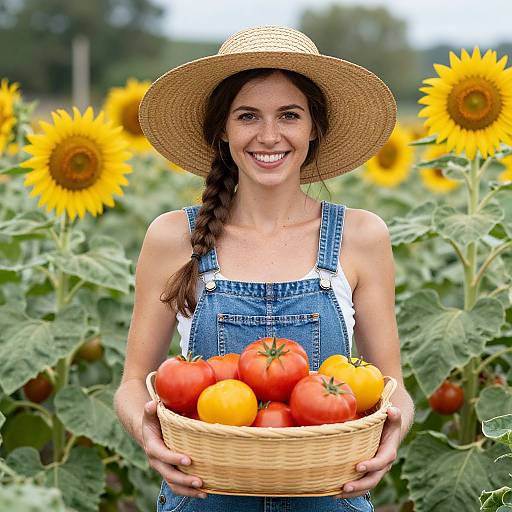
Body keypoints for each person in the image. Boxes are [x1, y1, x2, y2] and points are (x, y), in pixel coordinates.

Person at [114, 25, 415, 512]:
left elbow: (391, 387)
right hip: (205, 496)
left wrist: (394, 430)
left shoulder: (362, 237)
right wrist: (146, 432)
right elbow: (133, 382)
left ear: (314, 127)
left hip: (329, 499)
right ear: (223, 131)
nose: (269, 136)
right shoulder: (172, 238)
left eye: (289, 116)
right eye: (247, 116)